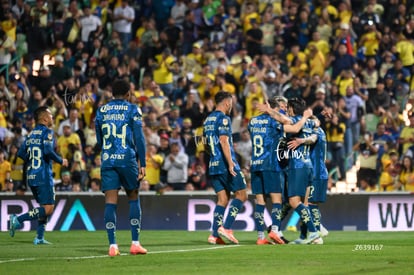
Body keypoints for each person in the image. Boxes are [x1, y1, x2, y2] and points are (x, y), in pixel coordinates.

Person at [248, 97, 312, 245]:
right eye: (281, 107)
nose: (283, 109)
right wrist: (272, 112)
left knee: (260, 202)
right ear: (272, 107)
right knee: (277, 200)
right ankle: (275, 231)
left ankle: (260, 237)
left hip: (255, 165)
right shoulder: (274, 121)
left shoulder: (252, 121)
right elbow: (291, 125)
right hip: (270, 165)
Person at [95, 79, 147, 256]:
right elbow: (139, 138)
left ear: (111, 93)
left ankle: (112, 245)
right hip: (127, 159)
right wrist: (143, 163)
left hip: (108, 160)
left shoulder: (101, 110)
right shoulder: (133, 109)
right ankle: (135, 243)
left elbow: (99, 139)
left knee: (110, 201)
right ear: (128, 94)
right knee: (133, 196)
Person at [9, 106, 69, 244]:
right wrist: (61, 160)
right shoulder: (47, 132)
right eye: (50, 115)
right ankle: (18, 220)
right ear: (44, 118)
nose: (52, 117)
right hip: (43, 175)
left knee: (43, 206)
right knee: (48, 208)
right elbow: (48, 150)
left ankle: (40, 237)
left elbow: (21, 154)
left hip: (32, 176)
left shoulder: (30, 135)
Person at [203, 91, 248, 245]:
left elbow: (205, 145)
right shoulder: (224, 118)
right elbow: (223, 141)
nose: (232, 106)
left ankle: (214, 234)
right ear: (227, 103)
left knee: (222, 199)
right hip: (225, 164)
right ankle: (226, 228)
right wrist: (230, 163)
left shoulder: (207, 120)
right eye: (232, 103)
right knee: (242, 195)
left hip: (213, 164)